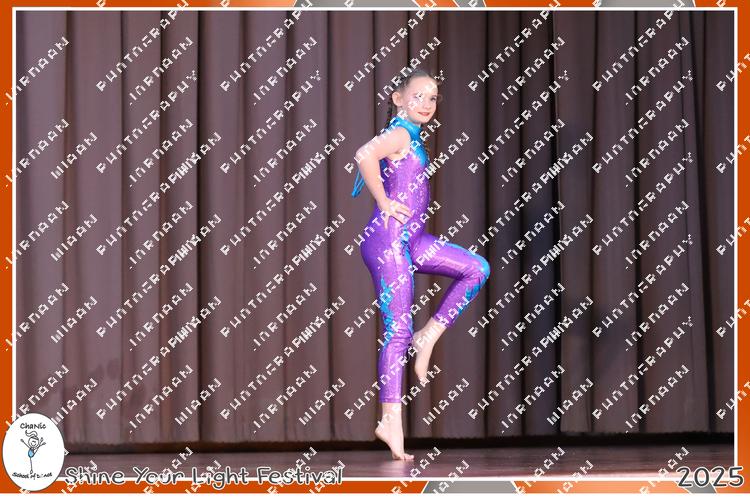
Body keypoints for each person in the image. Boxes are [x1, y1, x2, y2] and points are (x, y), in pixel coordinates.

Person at [352, 67, 490, 460]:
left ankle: (428, 334)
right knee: (398, 330)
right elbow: (364, 154)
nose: (427, 104)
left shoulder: (411, 135)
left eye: (433, 98)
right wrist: (382, 201)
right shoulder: (399, 133)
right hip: (388, 241)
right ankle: (390, 419)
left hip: (413, 240)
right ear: (398, 98)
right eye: (418, 96)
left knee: (476, 268)